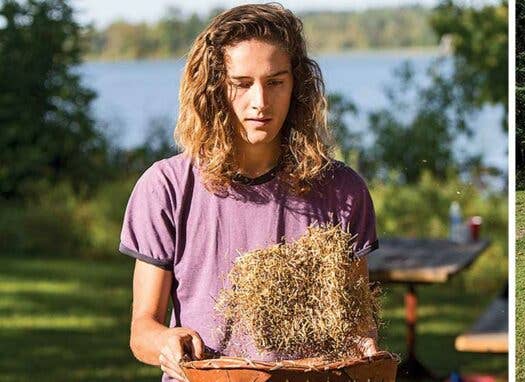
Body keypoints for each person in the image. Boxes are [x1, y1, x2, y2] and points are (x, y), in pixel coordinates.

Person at [119, 4, 379, 381]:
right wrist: (167, 342)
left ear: (297, 86)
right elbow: (142, 330)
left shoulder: (343, 191)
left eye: (276, 82)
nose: (260, 101)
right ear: (214, 88)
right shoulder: (166, 188)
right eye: (241, 84)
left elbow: (358, 323)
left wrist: (363, 346)